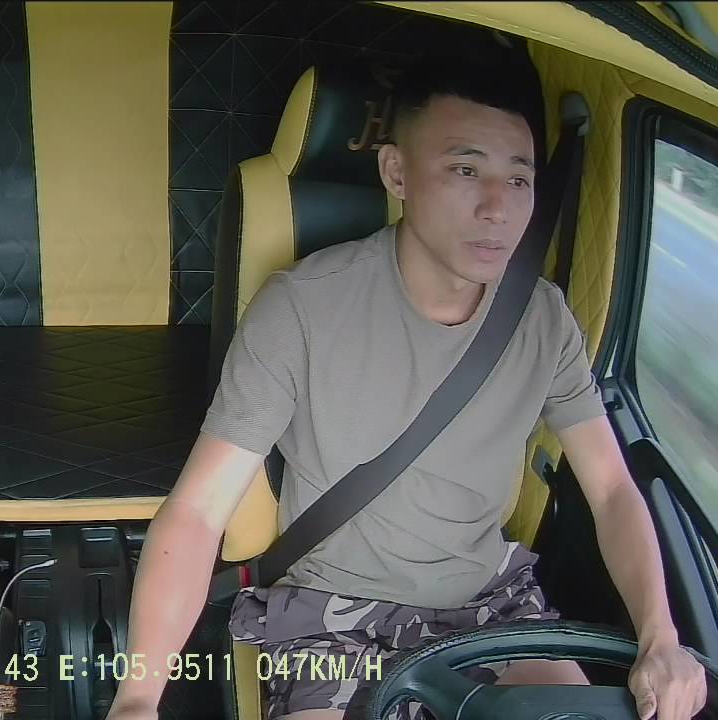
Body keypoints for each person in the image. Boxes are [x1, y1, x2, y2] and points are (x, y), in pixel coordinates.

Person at [106, 60, 708, 720]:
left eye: (518, 179)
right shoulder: (302, 307)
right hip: (333, 620)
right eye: (465, 170)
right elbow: (198, 512)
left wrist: (661, 636)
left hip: (491, 603)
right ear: (396, 173)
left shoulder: (543, 320)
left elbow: (613, 490)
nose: (497, 207)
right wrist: (139, 696)